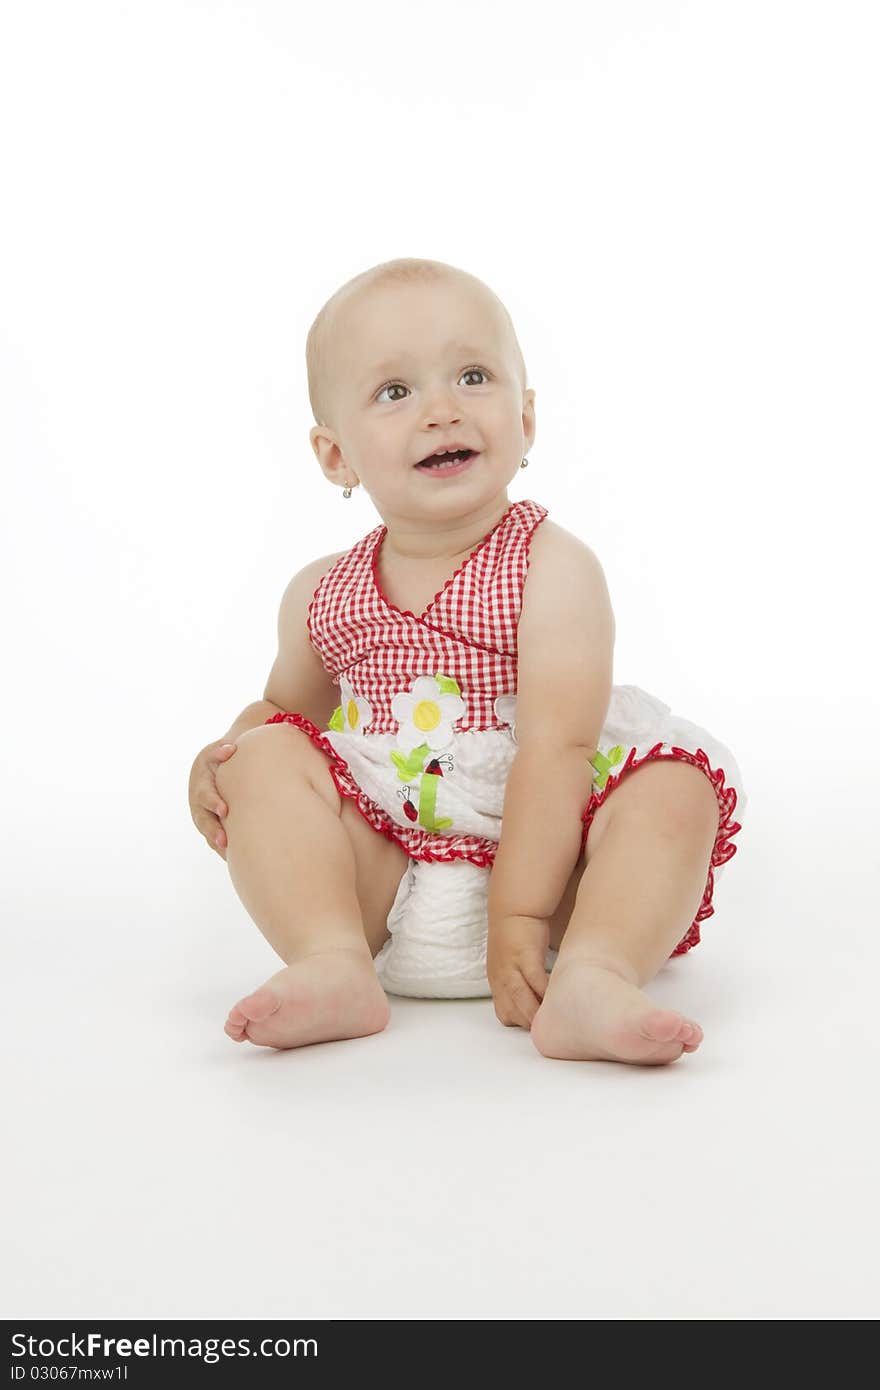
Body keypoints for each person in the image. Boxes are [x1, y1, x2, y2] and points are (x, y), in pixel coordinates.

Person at [187, 257, 747, 1065]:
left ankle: (596, 974)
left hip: (554, 889)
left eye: (473, 376)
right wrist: (218, 763)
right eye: (394, 392)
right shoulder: (321, 593)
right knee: (263, 758)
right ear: (335, 455)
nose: (441, 411)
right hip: (384, 878)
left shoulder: (550, 566)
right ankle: (331, 960)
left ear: (525, 418)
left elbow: (560, 746)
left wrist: (518, 916)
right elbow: (286, 716)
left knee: (675, 787)